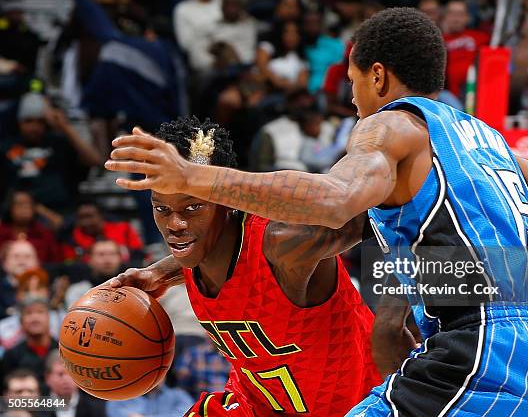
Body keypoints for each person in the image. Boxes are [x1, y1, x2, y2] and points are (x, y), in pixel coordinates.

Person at [106, 8, 528, 416]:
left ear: (378, 76)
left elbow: (333, 202)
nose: (351, 99)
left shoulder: (389, 127)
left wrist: (192, 176)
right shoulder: (494, 145)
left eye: (352, 82)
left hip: (474, 356)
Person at [106, 116, 380, 416]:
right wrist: (157, 273)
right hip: (252, 405)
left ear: (225, 202)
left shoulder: (283, 243)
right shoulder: (196, 247)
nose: (176, 224)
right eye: (162, 209)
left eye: (193, 207)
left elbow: (367, 216)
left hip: (357, 404)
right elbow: (211, 253)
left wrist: (413, 307)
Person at [1, 296, 58, 386]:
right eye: (28, 313)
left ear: (49, 318)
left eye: (40, 312)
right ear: (21, 321)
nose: (35, 318)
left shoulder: (65, 352)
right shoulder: (11, 356)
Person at [42, 349, 106, 417]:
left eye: (71, 374)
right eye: (60, 374)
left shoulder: (95, 408)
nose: (66, 379)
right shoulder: (38, 408)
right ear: (47, 378)